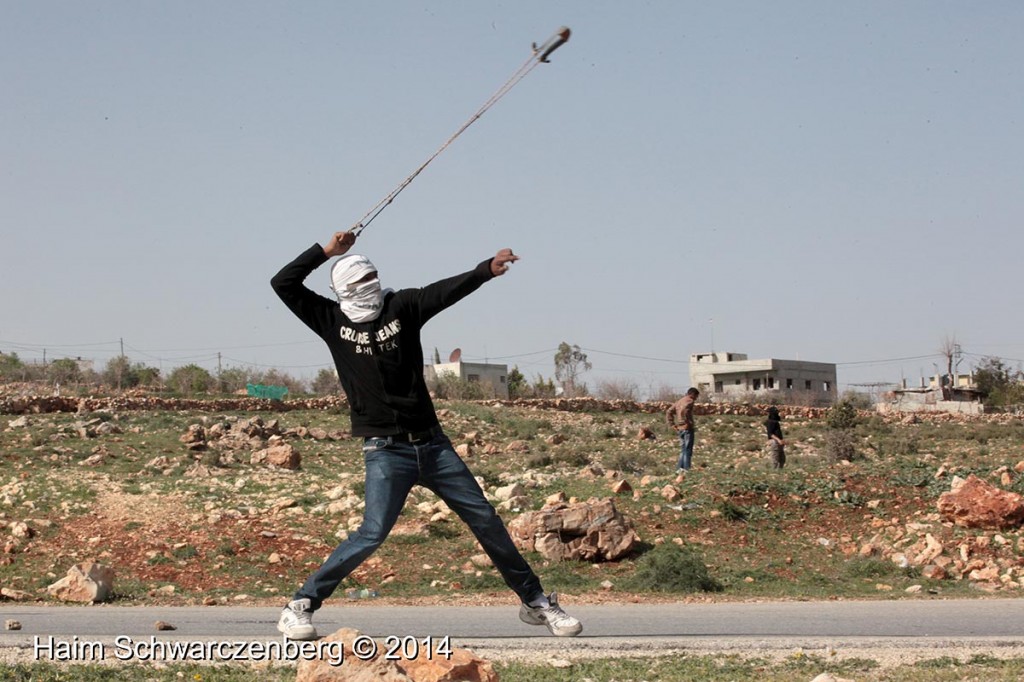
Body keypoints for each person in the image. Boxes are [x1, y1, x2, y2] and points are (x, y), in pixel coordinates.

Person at [270, 230, 582, 640]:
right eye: (362, 282)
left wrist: (485, 270)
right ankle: (300, 605)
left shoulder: (402, 306)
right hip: (385, 452)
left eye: (374, 277)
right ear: (344, 290)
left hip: (433, 445)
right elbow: (283, 283)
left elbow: (444, 292)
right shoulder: (329, 319)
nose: (372, 286)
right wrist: (327, 251)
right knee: (371, 533)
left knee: (485, 519)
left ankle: (536, 602)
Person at [666, 387, 700, 472]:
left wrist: (672, 424)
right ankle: (686, 469)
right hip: (687, 428)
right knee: (688, 450)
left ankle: (679, 469)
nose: (696, 398)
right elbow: (685, 410)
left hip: (680, 429)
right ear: (692, 394)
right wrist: (687, 422)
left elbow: (669, 411)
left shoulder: (679, 401)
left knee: (683, 449)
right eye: (696, 396)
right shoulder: (689, 401)